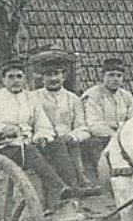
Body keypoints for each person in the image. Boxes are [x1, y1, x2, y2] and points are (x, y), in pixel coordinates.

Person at [0, 59, 80, 204]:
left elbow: (43, 125)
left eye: (19, 76)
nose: (15, 81)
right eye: (11, 77)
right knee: (29, 151)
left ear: (24, 78)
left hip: (26, 144)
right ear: (3, 80)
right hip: (2, 147)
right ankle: (58, 187)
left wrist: (42, 137)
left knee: (56, 144)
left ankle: (72, 189)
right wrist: (2, 129)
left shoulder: (31, 98)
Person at [32, 56, 99, 192]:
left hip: (69, 142)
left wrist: (73, 136)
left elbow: (83, 127)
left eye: (56, 74)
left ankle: (85, 181)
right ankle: (76, 184)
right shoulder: (33, 98)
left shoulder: (73, 99)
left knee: (73, 143)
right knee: (58, 144)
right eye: (48, 75)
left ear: (63, 77)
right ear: (42, 78)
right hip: (42, 142)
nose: (53, 79)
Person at [82, 56, 133, 180]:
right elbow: (94, 124)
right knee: (96, 144)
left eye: (119, 76)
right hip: (101, 137)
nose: (115, 79)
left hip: (124, 135)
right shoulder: (93, 95)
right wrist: (116, 137)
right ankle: (104, 178)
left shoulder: (126, 96)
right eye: (111, 75)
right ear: (103, 76)